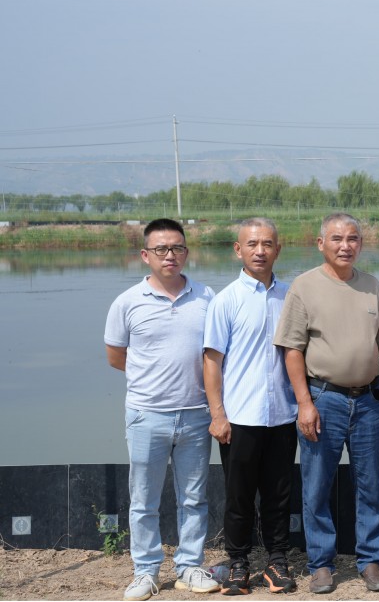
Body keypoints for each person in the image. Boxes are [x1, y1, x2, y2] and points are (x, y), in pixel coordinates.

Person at [273, 213, 379, 595]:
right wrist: (304, 403)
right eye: (337, 239)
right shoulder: (304, 287)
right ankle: (321, 565)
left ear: (361, 244)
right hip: (323, 399)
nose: (345, 246)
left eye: (352, 239)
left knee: (371, 486)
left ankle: (370, 561)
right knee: (317, 487)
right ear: (321, 244)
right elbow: (292, 350)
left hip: (368, 402)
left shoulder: (371, 286)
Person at [104, 218, 220, 601]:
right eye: (161, 249)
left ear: (186, 252)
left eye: (177, 248)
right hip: (146, 415)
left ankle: (189, 566)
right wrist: (152, 378)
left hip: (197, 413)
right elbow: (116, 356)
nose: (170, 255)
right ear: (145, 255)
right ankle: (146, 571)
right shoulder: (127, 302)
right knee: (143, 500)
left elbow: (216, 355)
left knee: (194, 498)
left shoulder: (207, 297)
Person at [202, 218, 297, 595]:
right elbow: (212, 362)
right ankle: (239, 562)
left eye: (267, 244)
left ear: (278, 249)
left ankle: (277, 561)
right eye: (252, 244)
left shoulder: (291, 297)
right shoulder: (225, 301)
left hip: (283, 415)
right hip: (240, 418)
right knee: (239, 497)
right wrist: (218, 414)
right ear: (237, 250)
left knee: (279, 496)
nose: (260, 251)